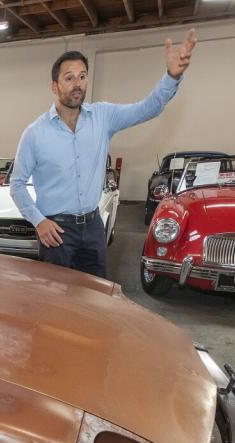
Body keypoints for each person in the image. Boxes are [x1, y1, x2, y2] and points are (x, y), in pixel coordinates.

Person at [10, 29, 197, 278]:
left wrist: (172, 77)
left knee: (95, 297)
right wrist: (38, 221)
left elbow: (146, 109)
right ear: (54, 86)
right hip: (56, 229)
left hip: (92, 225)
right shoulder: (35, 133)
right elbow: (17, 184)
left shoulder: (103, 116)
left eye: (82, 76)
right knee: (54, 298)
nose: (77, 84)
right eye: (69, 78)